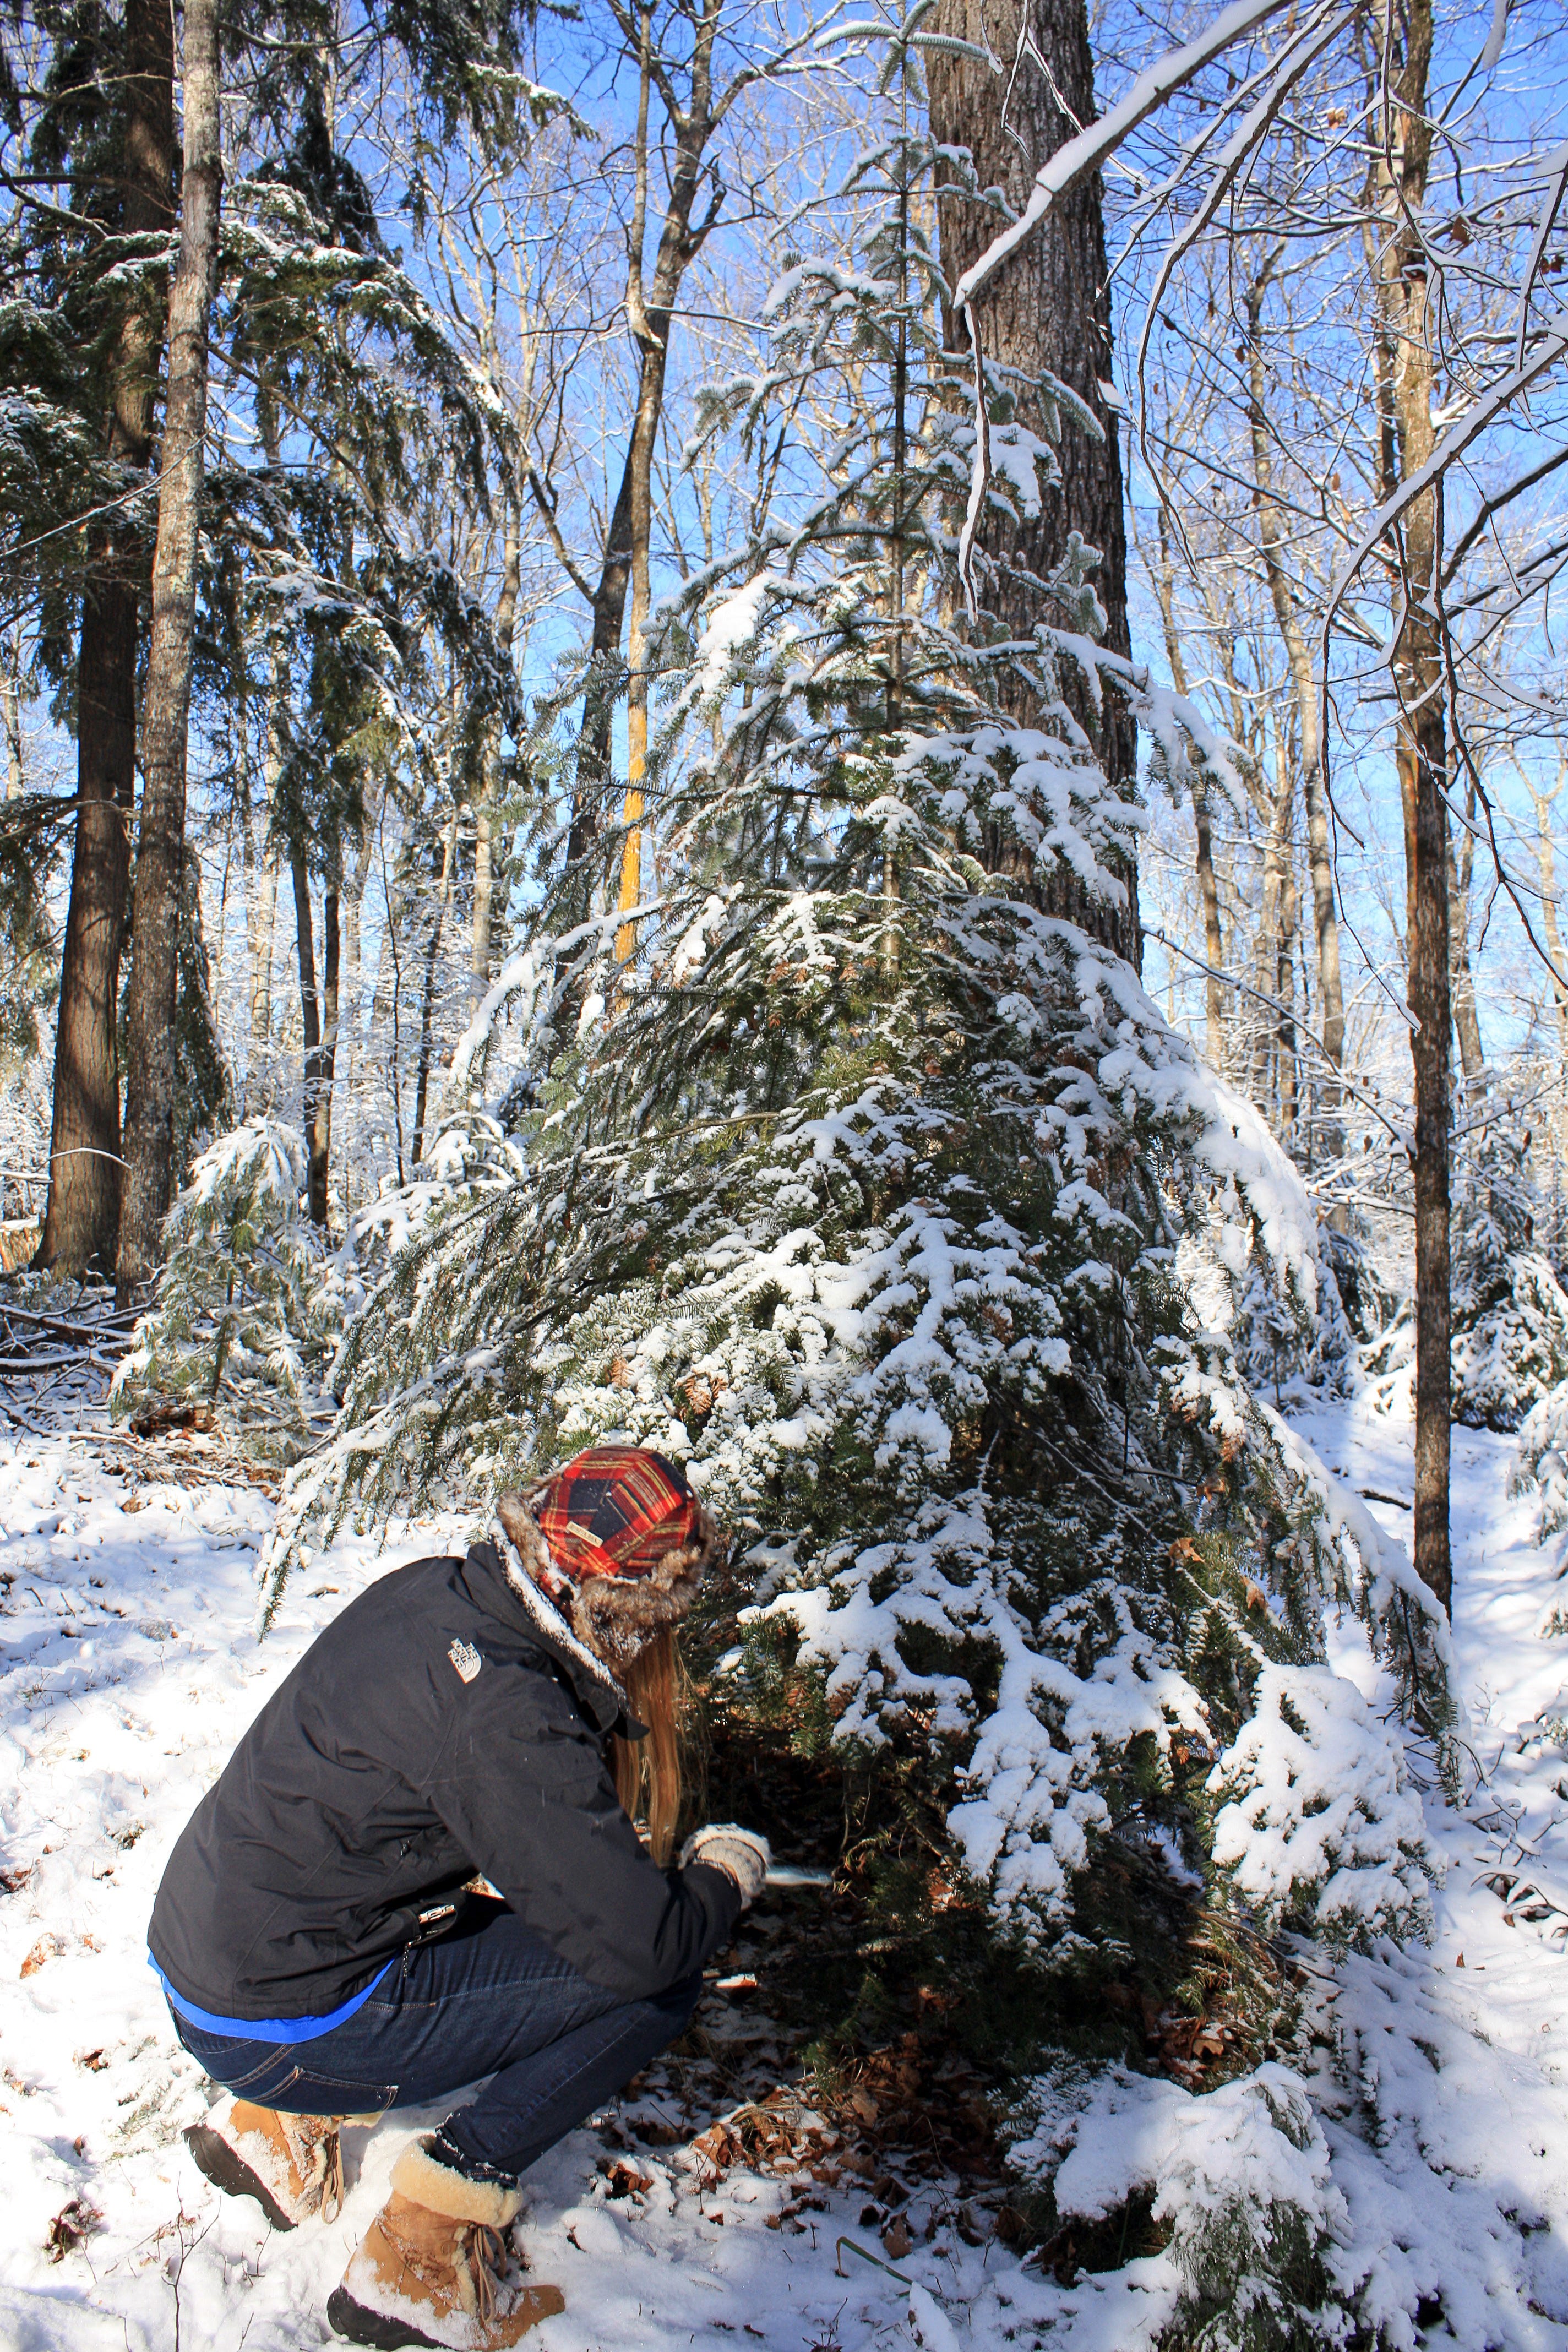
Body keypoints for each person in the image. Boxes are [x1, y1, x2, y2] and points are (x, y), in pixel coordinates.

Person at [147, 1446, 771, 2351]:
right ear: (620, 1606)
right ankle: (421, 2249)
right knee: (655, 1984)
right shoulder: (504, 1707)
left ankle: (270, 2137)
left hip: (219, 1953)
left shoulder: (438, 1592)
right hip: (278, 2025)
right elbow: (642, 1946)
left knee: (529, 1931)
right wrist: (720, 1875)